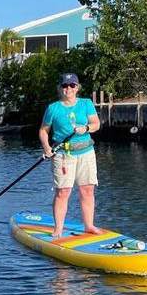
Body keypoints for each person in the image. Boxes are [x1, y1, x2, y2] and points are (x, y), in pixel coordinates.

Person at [39, 73, 102, 240]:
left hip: (86, 153)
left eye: (72, 86)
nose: (68, 89)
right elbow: (43, 131)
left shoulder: (86, 103)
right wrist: (46, 148)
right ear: (60, 88)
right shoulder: (53, 108)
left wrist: (87, 128)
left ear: (77, 88)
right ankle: (58, 229)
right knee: (63, 192)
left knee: (87, 190)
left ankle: (89, 226)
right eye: (65, 86)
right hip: (63, 155)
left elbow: (96, 124)